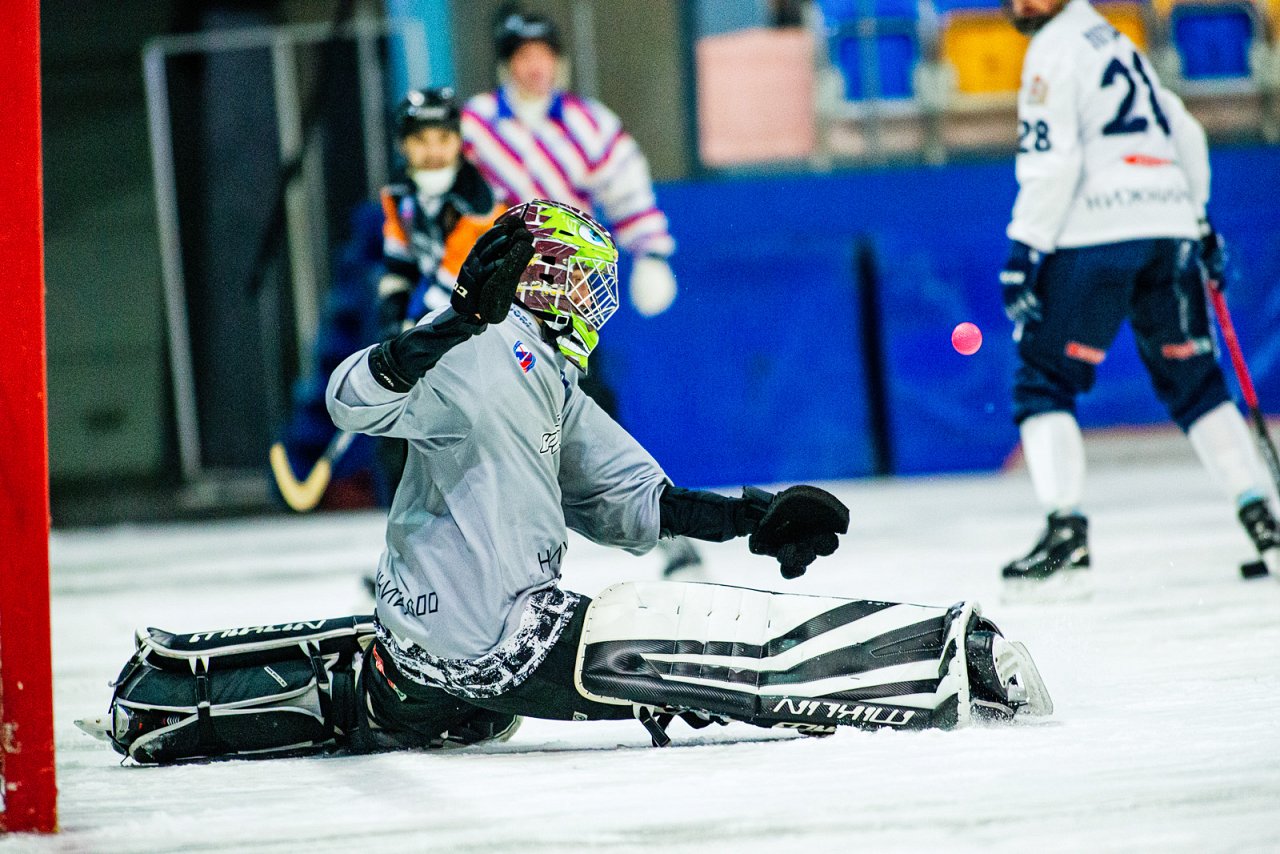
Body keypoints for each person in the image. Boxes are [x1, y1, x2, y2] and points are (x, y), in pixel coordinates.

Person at [324, 201, 1052, 750]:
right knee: (716, 639)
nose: (591, 301)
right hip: (497, 641)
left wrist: (747, 518)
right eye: (579, 280)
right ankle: (936, 659)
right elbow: (349, 398)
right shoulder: (465, 348)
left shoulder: (547, 377)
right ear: (537, 280)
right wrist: (452, 325)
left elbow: (631, 500)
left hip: (436, 661)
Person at [998, 0, 1280, 594]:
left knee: (1042, 381)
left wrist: (1025, 251)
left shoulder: (1052, 48)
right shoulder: (1119, 42)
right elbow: (1187, 133)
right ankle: (1265, 524)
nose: (1023, 3)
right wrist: (1197, 221)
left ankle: (1065, 535)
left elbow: (1053, 161)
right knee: (1197, 384)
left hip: (1096, 232)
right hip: (1169, 225)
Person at [459, 10, 703, 577]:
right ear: (506, 63)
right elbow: (444, 198)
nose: (535, 65)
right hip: (494, 297)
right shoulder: (474, 127)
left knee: (589, 413)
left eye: (544, 53)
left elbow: (628, 188)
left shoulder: (590, 125)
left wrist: (653, 253)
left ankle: (659, 526)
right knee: (478, 414)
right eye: (523, 55)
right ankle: (457, 543)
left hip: (569, 296)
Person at [372, 87, 506, 494]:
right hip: (445, 324)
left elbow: (455, 282)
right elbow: (399, 261)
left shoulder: (478, 202)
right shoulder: (398, 193)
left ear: (459, 142)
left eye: (443, 139)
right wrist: (394, 307)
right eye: (420, 140)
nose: (433, 151)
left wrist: (412, 330)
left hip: (492, 327)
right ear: (403, 145)